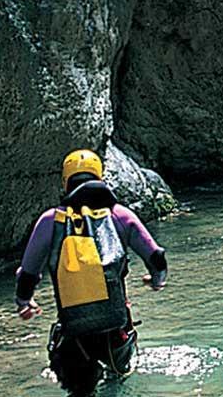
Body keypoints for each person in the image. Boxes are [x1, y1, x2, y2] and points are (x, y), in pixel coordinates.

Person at [14, 149, 168, 397]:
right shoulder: (120, 215)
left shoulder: (50, 221)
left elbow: (27, 273)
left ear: (65, 182)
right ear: (100, 178)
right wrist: (156, 281)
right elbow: (157, 258)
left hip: (74, 335)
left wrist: (24, 301)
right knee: (118, 382)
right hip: (115, 331)